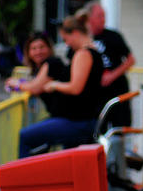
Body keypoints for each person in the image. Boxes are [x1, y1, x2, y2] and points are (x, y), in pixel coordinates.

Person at [17, 15, 105, 158]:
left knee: (25, 137)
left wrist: (54, 85)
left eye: (65, 39)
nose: (67, 44)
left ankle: (24, 180)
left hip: (78, 121)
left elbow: (75, 88)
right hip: (80, 119)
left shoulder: (83, 53)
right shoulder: (93, 51)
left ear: (75, 33)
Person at [82, 0, 136, 127]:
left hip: (117, 89)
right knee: (98, 126)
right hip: (96, 93)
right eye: (99, 16)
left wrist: (112, 75)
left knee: (120, 127)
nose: (103, 19)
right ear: (89, 18)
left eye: (104, 16)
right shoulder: (84, 39)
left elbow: (130, 60)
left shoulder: (113, 36)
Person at [6, 32, 69, 116]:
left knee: (26, 130)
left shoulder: (53, 63)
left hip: (66, 117)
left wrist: (17, 84)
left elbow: (35, 88)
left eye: (42, 47)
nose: (38, 52)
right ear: (28, 52)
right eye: (34, 48)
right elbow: (34, 83)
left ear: (49, 48)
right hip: (58, 116)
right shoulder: (39, 68)